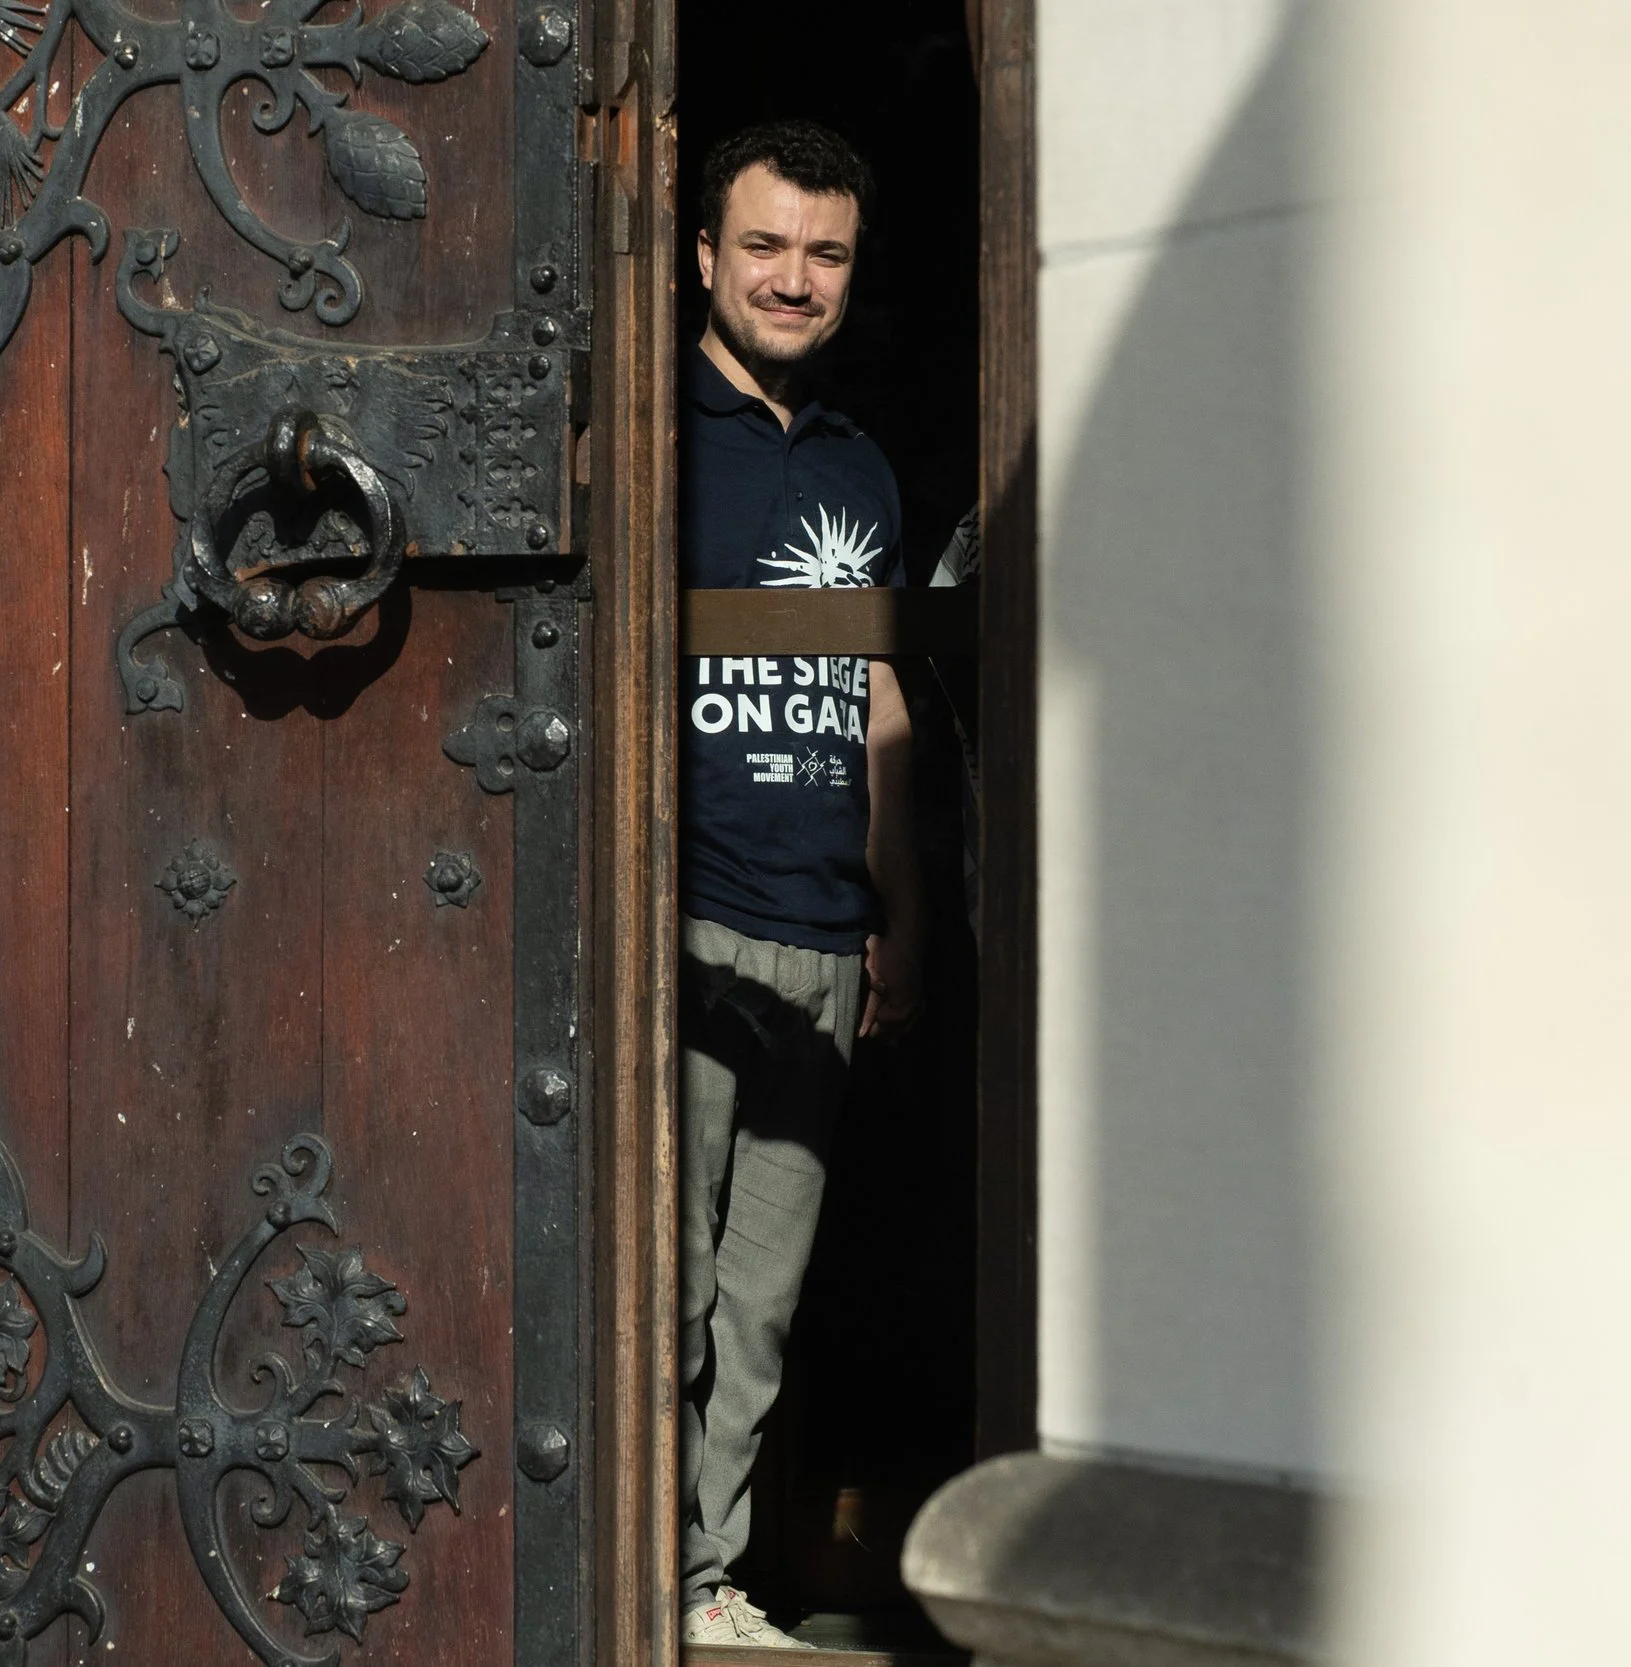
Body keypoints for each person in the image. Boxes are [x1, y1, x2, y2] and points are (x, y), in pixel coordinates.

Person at [677, 119, 924, 1651]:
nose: (793, 277)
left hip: (823, 927)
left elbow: (885, 698)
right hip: (684, 917)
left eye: (824, 252)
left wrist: (908, 921)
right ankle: (620, 1568)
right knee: (658, 1279)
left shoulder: (861, 464)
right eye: (763, 245)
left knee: (757, 1304)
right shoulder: (650, 436)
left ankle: (702, 1583)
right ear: (704, 256)